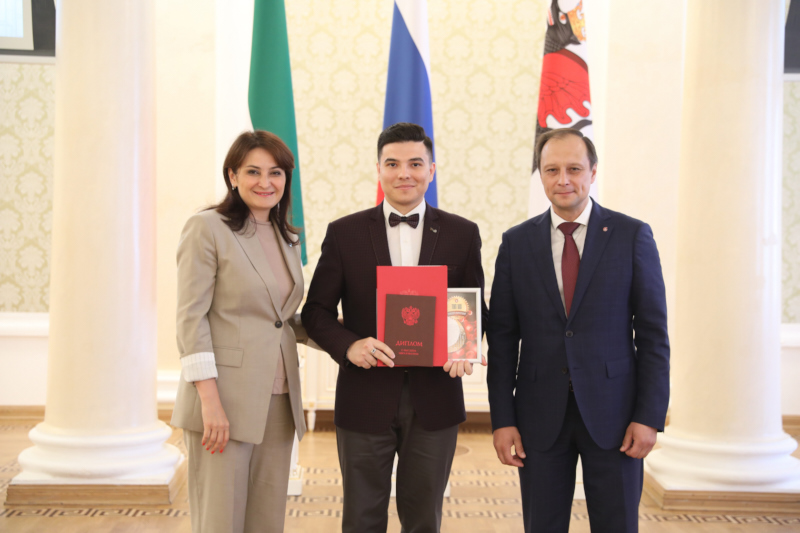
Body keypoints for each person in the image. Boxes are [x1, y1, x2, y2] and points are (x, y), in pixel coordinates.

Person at [301, 122, 488, 533]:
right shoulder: (344, 233)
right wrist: (349, 346)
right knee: (361, 519)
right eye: (393, 164)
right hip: (364, 395)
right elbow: (316, 312)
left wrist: (464, 348)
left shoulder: (462, 233)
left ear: (431, 170)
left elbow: (473, 305)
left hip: (435, 398)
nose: (405, 173)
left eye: (415, 164)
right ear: (379, 170)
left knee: (423, 521)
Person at [487, 128, 670, 532]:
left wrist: (649, 416)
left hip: (616, 416)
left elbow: (653, 335)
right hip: (538, 416)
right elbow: (502, 339)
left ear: (593, 171)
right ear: (540, 174)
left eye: (574, 169)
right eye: (552, 170)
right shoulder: (516, 243)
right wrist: (502, 419)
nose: (563, 179)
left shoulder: (631, 235)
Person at [171, 130, 307, 533]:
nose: (266, 182)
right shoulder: (206, 228)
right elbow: (191, 319)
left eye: (276, 172)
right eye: (253, 171)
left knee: (267, 520)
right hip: (224, 399)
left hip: (279, 399)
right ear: (232, 175)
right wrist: (210, 402)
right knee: (221, 520)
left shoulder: (287, 236)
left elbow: (283, 318)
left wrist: (352, 338)